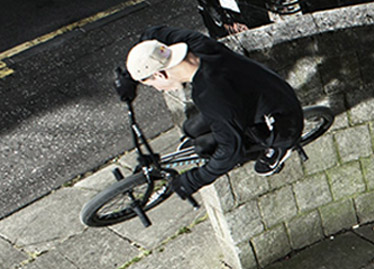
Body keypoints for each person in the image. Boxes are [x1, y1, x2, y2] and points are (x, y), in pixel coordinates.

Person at [122, 25, 304, 199]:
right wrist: (132, 77)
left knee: (206, 146)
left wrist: (194, 180)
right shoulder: (198, 44)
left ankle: (278, 150)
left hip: (280, 119)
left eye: (153, 85)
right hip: (260, 90)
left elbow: (231, 151)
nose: (159, 89)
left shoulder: (210, 95)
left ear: (160, 75)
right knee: (191, 128)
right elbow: (152, 35)